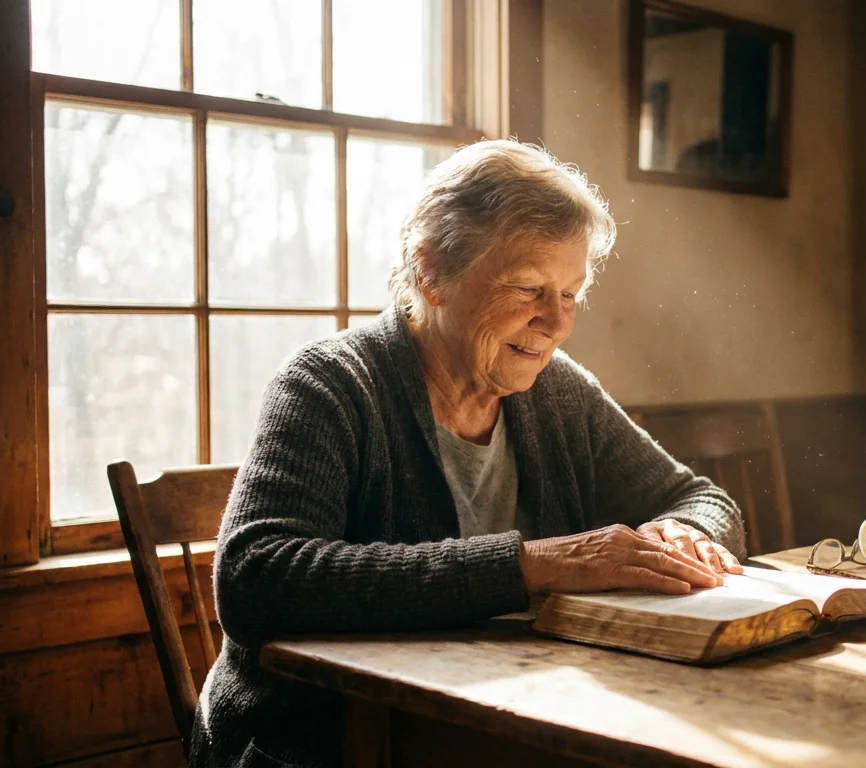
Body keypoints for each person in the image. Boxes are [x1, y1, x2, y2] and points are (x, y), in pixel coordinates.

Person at [191, 139, 747, 767]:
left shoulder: (557, 390)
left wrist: (684, 533)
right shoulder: (329, 385)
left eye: (571, 293)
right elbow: (256, 578)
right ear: (431, 273)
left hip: (507, 722)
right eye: (529, 288)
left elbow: (699, 496)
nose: (556, 322)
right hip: (324, 744)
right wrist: (533, 564)